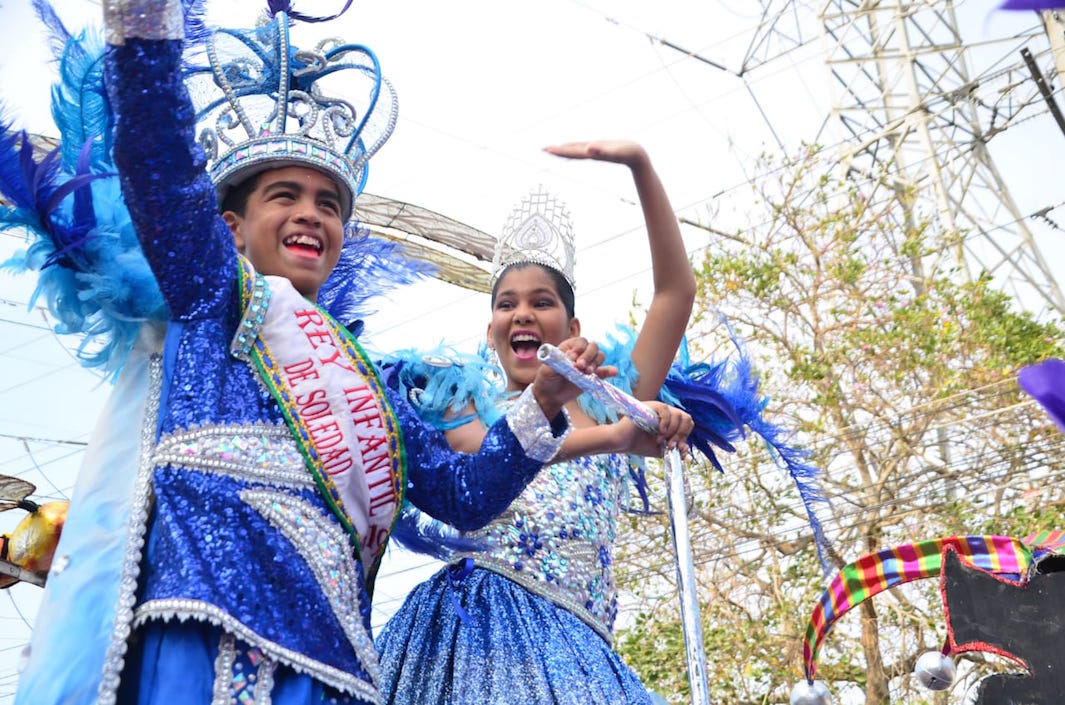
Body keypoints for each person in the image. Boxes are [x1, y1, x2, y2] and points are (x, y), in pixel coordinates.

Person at [7, 4, 606, 704]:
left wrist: (543, 404)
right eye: (283, 195)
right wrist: (144, 23)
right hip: (208, 625)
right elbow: (158, 159)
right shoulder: (213, 295)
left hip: (335, 668)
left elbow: (462, 496)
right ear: (228, 227)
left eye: (329, 203)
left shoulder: (375, 387)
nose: (310, 214)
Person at [376, 141, 698, 704]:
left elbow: (676, 293)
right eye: (507, 304)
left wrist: (640, 165)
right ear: (490, 330)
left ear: (570, 323)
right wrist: (620, 436)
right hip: (478, 626)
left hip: (581, 646)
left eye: (541, 302)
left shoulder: (606, 400)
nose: (523, 313)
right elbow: (480, 464)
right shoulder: (461, 396)